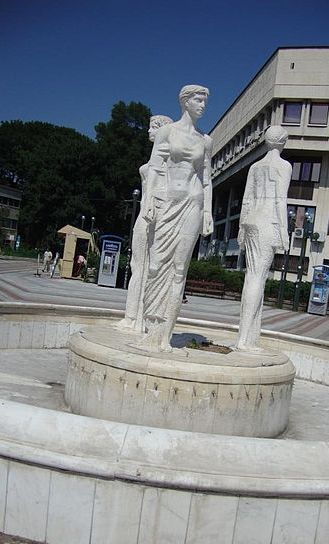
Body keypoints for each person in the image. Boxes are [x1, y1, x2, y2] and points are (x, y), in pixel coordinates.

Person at [139, 85, 213, 352]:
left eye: (205, 100)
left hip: (193, 204)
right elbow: (156, 168)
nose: (203, 105)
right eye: (198, 99)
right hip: (169, 203)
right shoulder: (167, 132)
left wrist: (208, 213)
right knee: (157, 264)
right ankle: (151, 326)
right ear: (185, 101)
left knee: (180, 269)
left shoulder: (206, 140)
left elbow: (206, 180)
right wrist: (150, 202)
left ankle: (164, 335)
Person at [235, 125, 291, 351]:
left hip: (251, 222)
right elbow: (280, 200)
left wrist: (240, 228)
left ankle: (249, 337)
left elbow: (246, 199)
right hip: (268, 222)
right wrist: (285, 231)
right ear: (283, 141)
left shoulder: (255, 166)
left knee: (252, 278)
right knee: (258, 278)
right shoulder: (283, 166)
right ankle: (244, 340)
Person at [118, 115, 173, 333]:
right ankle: (131, 316)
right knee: (136, 266)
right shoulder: (155, 158)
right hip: (143, 215)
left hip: (153, 215)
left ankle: (140, 317)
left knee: (148, 268)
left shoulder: (167, 159)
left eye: (152, 128)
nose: (148, 131)